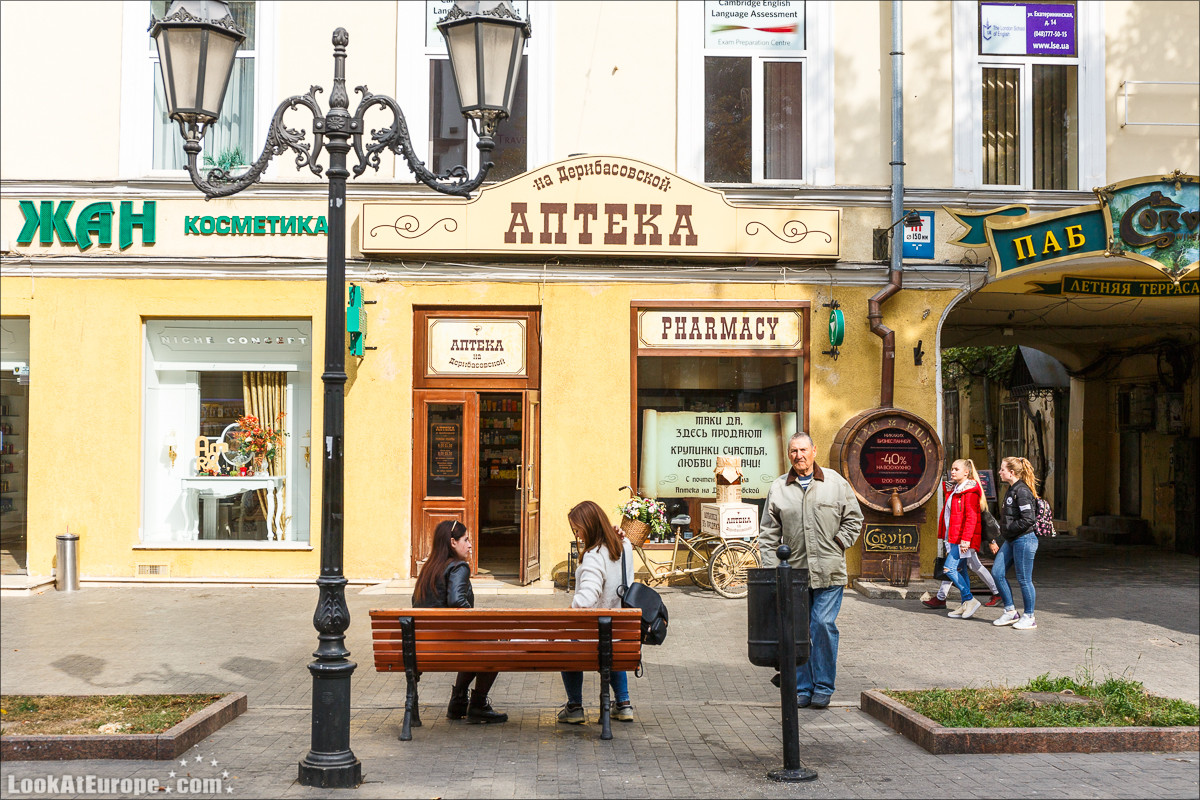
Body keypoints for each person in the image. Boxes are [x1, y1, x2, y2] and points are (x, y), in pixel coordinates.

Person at [759, 432, 864, 709]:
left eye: (803, 450)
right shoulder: (779, 487)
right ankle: (803, 688)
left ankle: (824, 685)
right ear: (788, 454)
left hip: (829, 572)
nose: (799, 456)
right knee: (798, 631)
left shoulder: (835, 483)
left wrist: (840, 541)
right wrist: (772, 572)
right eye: (793, 451)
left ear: (814, 450)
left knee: (822, 624)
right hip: (794, 575)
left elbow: (854, 519)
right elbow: (769, 534)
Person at [411, 519, 508, 724]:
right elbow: (457, 601)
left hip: (423, 648)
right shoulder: (459, 567)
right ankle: (478, 704)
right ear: (453, 542)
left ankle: (458, 702)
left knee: (477, 641)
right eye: (466, 539)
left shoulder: (428, 569)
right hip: (450, 646)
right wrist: (479, 623)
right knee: (497, 643)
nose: (470, 545)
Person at [557, 500, 635, 725]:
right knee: (609, 646)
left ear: (589, 526)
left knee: (567, 644)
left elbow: (586, 599)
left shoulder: (594, 555)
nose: (578, 535)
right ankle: (623, 703)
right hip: (620, 633)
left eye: (578, 529)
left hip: (593, 634)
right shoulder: (625, 546)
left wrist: (570, 610)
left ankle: (574, 706)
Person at [923, 458, 1000, 615]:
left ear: (966, 472)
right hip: (952, 538)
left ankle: (969, 598)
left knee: (949, 568)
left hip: (961, 539)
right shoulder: (956, 490)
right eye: (952, 469)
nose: (952, 471)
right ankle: (964, 603)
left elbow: (971, 518)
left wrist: (965, 540)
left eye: (956, 469)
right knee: (962, 569)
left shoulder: (970, 492)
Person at [990, 456, 1040, 630]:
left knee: (1024, 579)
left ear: (1011, 472)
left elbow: (1029, 519)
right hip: (1012, 540)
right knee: (997, 572)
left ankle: (1029, 616)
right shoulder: (1011, 489)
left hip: (1024, 540)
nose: (1000, 472)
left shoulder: (1022, 491)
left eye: (1002, 469)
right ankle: (1010, 611)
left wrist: (1009, 529)